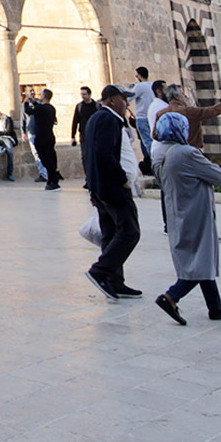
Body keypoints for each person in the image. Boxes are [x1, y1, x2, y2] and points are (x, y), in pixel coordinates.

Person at [149, 111, 221, 324]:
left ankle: (215, 306)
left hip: (176, 212)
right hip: (196, 214)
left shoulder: (158, 152)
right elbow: (219, 177)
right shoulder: (186, 153)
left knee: (200, 258)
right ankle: (171, 296)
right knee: (200, 260)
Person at [81, 86, 142, 301]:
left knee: (111, 233)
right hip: (113, 188)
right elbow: (103, 154)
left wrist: (92, 185)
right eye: (123, 99)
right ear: (111, 99)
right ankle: (100, 271)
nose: (127, 103)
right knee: (129, 232)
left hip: (101, 187)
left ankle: (115, 281)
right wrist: (122, 178)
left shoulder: (99, 118)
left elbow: (90, 154)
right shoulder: (106, 119)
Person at [157, 84, 221, 150]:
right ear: (176, 96)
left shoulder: (160, 113)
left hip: (170, 152)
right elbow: (212, 111)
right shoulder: (188, 111)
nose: (186, 97)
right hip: (190, 149)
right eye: (183, 94)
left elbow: (155, 135)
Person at [31, 90, 63, 191]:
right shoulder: (51, 108)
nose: (39, 96)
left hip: (42, 137)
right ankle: (52, 181)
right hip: (49, 135)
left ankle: (53, 182)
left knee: (46, 160)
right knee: (50, 159)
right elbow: (39, 108)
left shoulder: (41, 108)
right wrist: (34, 102)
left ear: (44, 96)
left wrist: (28, 102)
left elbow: (29, 110)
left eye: (40, 94)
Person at [126, 67, 157, 160]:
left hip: (142, 117)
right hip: (153, 116)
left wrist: (127, 89)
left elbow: (129, 98)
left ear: (139, 75)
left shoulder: (139, 86)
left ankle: (153, 162)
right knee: (154, 141)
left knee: (147, 141)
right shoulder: (153, 85)